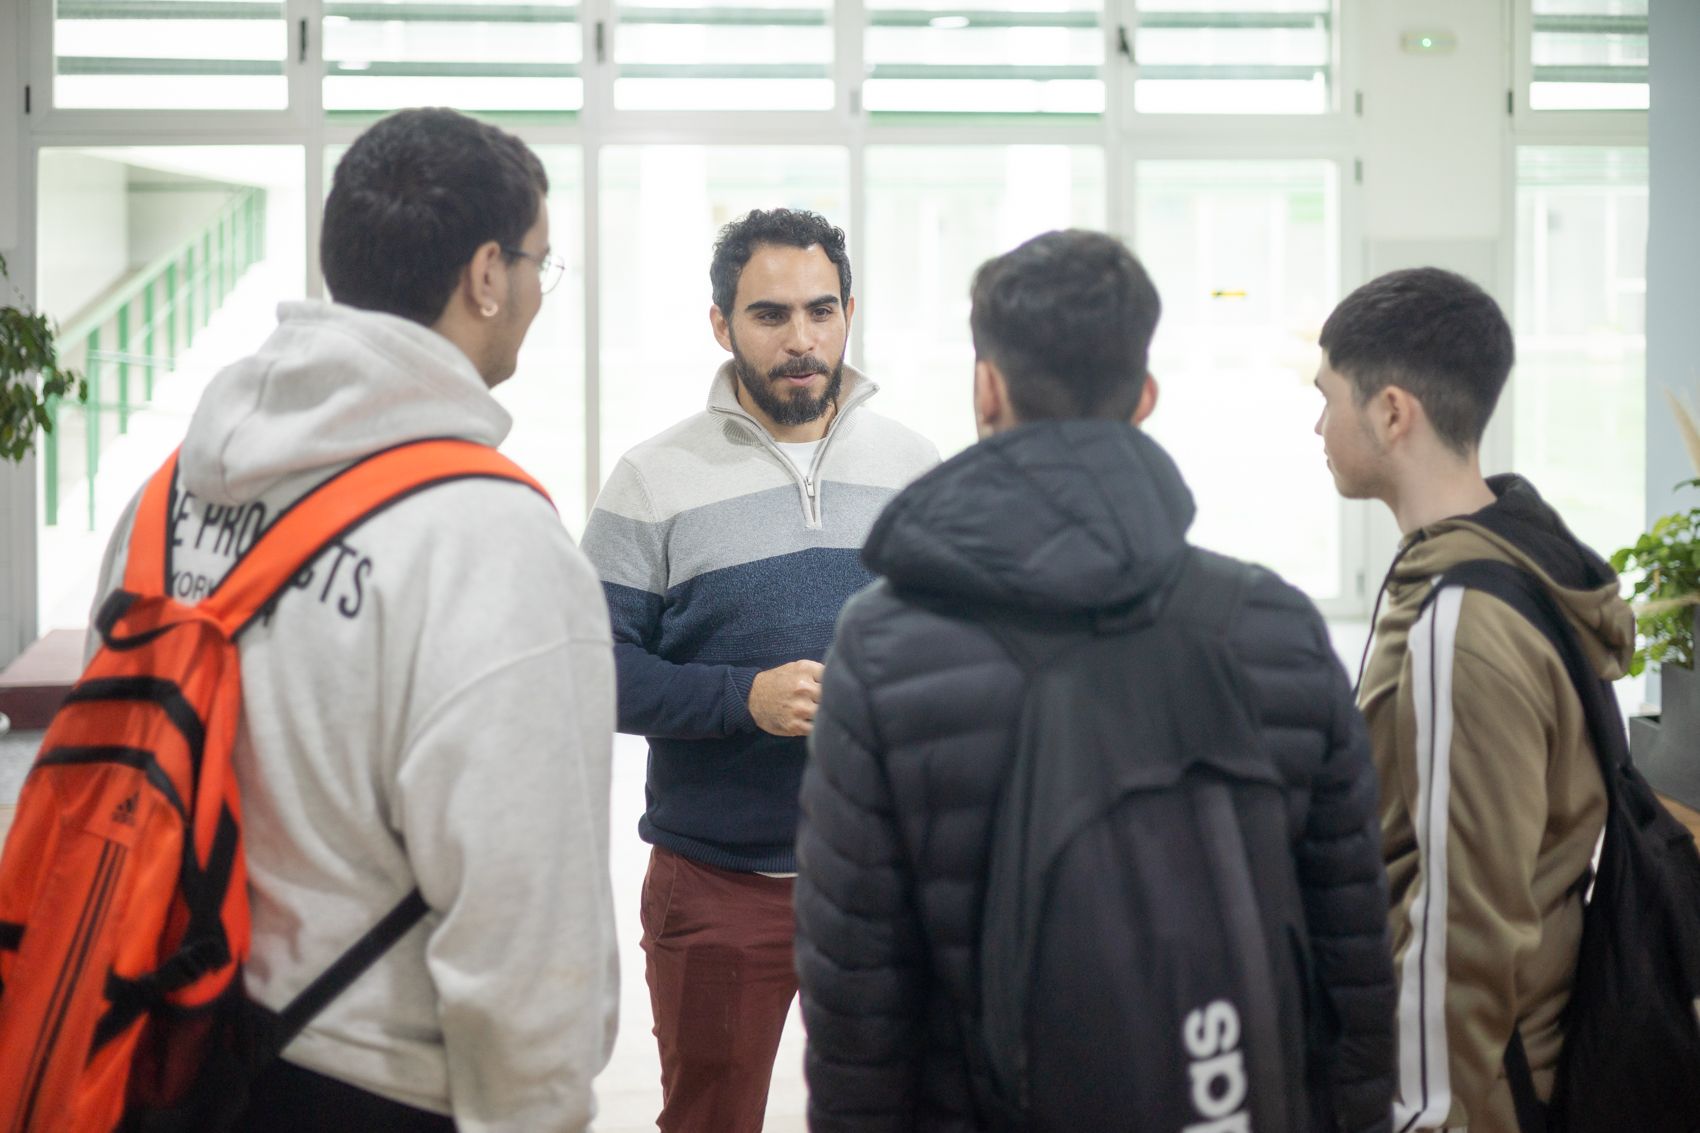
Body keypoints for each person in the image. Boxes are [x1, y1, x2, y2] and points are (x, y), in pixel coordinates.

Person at [794, 228, 1396, 1132]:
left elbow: (859, 1007)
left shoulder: (882, 649)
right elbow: (1353, 955)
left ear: (985, 387)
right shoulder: (1274, 626)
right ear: (1145, 396)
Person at [89, 107, 618, 1131]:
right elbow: (524, 924)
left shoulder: (168, 499)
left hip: (154, 1048)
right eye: (541, 265)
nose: (537, 295)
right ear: (485, 274)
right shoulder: (489, 538)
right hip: (368, 1084)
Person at [579, 207, 937, 1133]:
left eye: (821, 310)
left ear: (849, 312)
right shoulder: (652, 479)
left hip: (887, 882)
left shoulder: (916, 470)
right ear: (721, 324)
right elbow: (590, 669)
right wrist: (744, 698)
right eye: (770, 315)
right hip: (718, 884)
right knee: (710, 1120)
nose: (801, 339)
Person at [1313, 267, 1635, 1132]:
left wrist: (1424, 1114)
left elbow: (1465, 921)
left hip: (1475, 1093)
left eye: (1328, 397)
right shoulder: (1504, 562)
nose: (1318, 425)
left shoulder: (1464, 613)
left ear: (1390, 411)